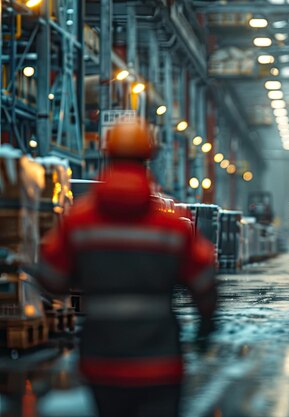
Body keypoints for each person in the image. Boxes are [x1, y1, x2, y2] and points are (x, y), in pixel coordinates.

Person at [35, 121, 217, 417]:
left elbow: (52, 279)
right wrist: (206, 324)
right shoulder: (172, 225)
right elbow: (204, 281)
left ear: (107, 155)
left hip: (102, 364)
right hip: (160, 364)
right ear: (148, 158)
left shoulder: (79, 222)